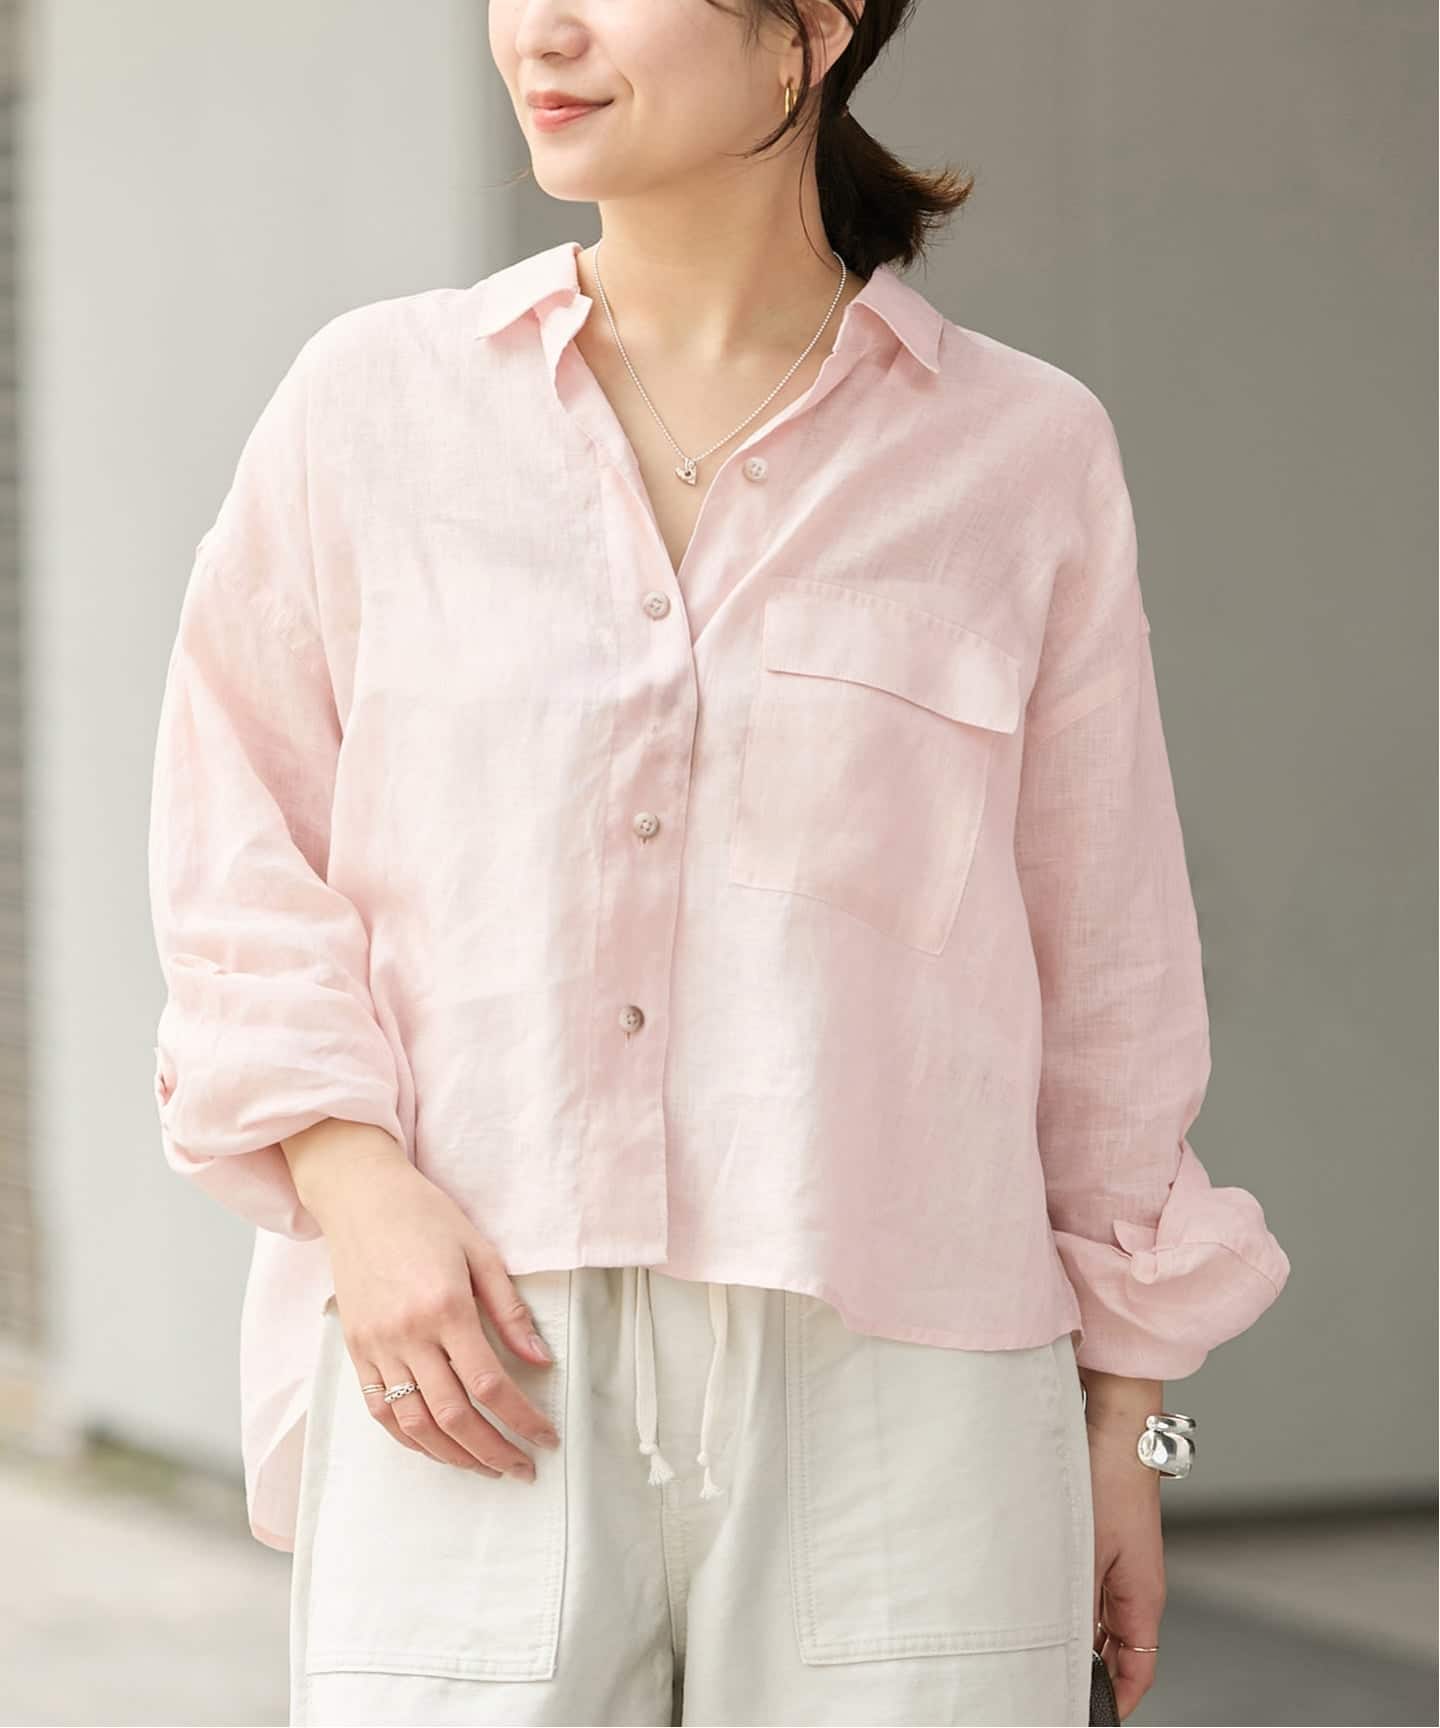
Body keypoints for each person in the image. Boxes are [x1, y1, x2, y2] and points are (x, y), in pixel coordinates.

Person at [146, 3, 1292, 1725]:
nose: (539, 29)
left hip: (910, 1400)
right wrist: (352, 1183)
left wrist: (1131, 1421)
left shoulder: (1020, 452)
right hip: (470, 1351)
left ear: (807, 30)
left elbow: (1110, 963)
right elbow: (236, 846)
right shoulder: (371, 408)